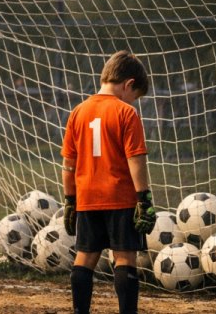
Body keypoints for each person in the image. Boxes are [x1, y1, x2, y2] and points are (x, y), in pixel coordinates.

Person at [60, 51, 156, 314]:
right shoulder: (126, 113)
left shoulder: (78, 112)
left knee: (85, 257)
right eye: (134, 95)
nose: (133, 101)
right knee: (125, 257)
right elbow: (135, 159)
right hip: (120, 197)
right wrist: (144, 198)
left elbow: (68, 164)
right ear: (128, 84)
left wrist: (70, 200)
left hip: (88, 198)